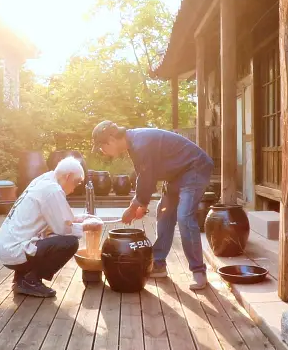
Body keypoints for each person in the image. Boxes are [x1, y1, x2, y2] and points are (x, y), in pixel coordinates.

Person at [91, 120, 214, 290]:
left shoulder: (140, 143)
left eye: (102, 147)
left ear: (111, 139)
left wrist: (134, 207)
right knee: (164, 214)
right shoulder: (133, 144)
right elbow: (144, 176)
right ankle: (158, 264)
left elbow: (147, 178)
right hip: (176, 174)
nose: (103, 151)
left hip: (195, 167)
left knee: (184, 217)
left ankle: (198, 272)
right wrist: (140, 205)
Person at [0, 157, 99, 298]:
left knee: (49, 237)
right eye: (76, 182)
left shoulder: (44, 179)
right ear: (68, 176)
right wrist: (86, 226)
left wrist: (78, 218)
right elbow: (63, 229)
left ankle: (21, 279)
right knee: (69, 242)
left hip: (5, 247)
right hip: (14, 251)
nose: (74, 189)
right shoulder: (52, 190)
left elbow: (55, 215)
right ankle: (31, 281)